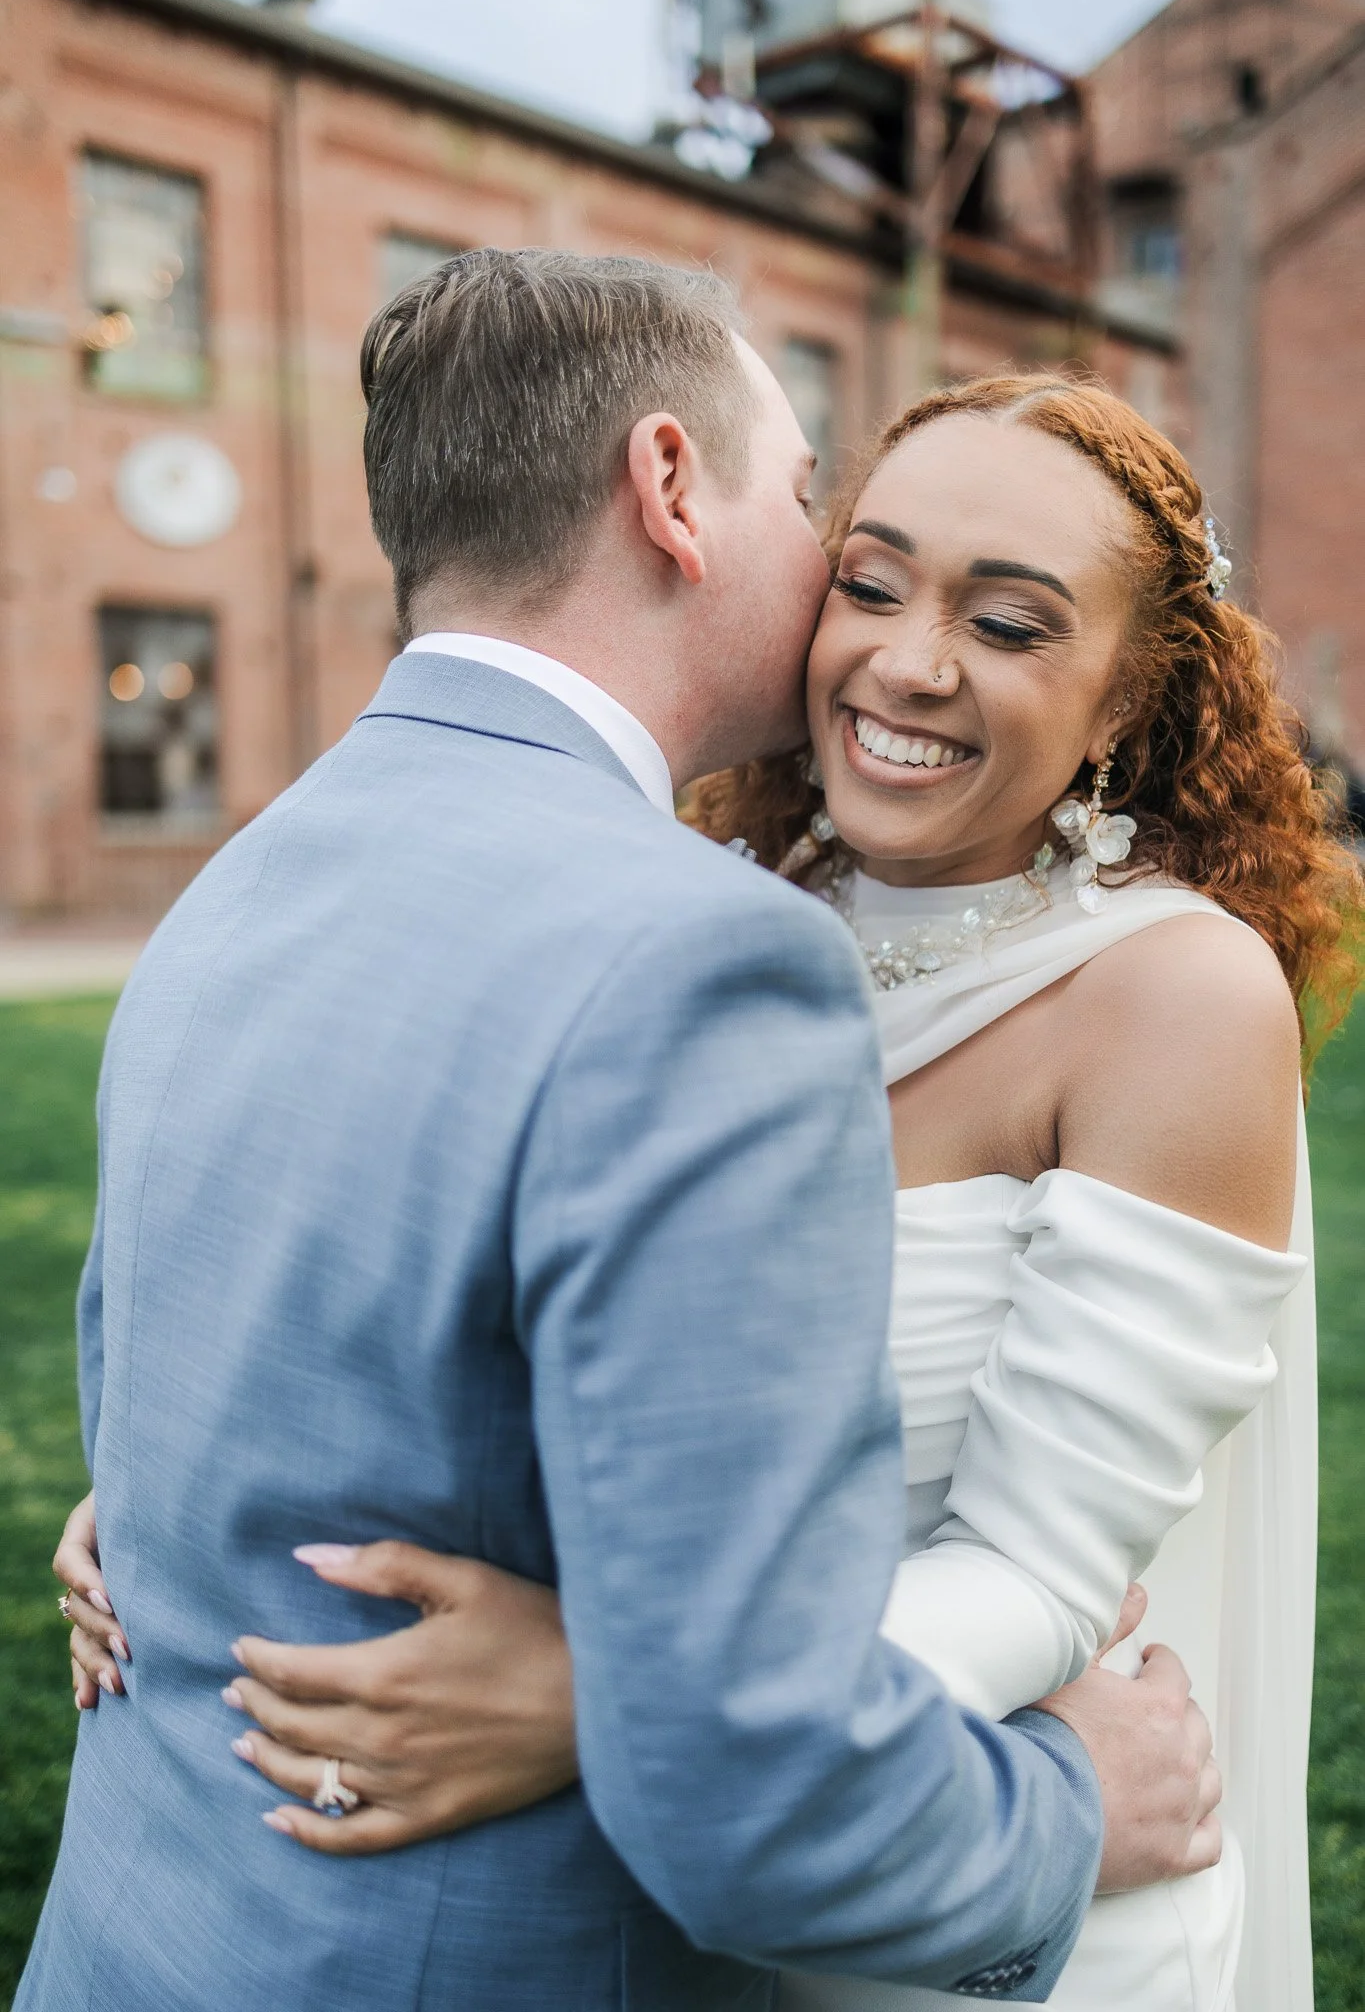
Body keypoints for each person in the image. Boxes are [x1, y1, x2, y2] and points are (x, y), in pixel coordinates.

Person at [63, 370, 1364, 2012]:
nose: (909, 661)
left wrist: (591, 1704)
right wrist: (193, 1494)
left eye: (1015, 626)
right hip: (684, 1907)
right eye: (871, 583)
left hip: (979, 1847)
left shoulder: (1177, 999)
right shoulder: (715, 912)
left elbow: (1039, 1574)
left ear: (1127, 700)